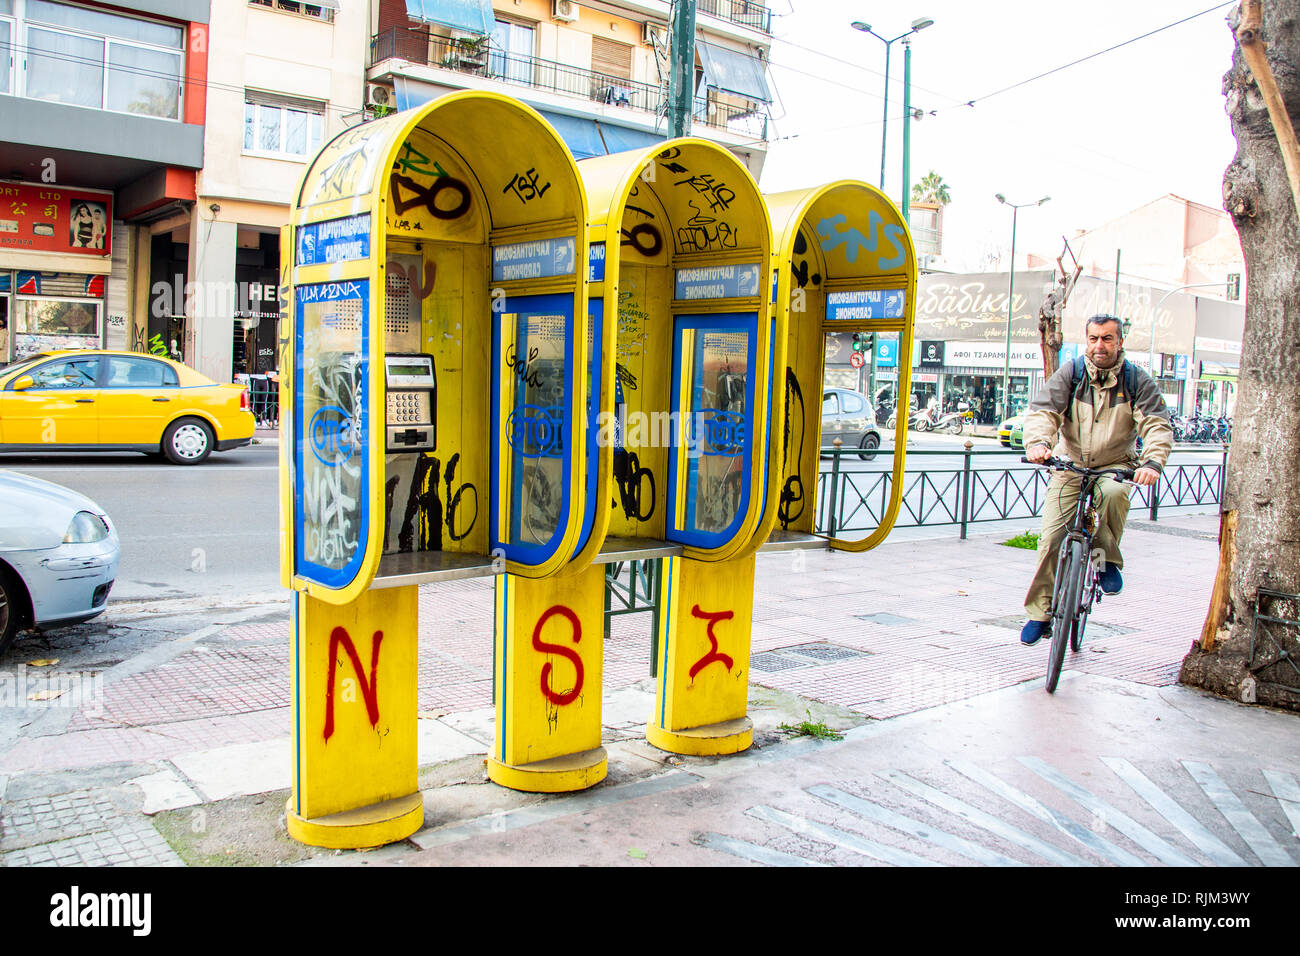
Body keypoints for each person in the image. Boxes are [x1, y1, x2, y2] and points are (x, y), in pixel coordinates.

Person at [1019, 314, 1173, 645]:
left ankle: (1105, 563)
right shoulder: (1072, 373)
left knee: (1115, 495)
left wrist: (1153, 463)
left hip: (1114, 465)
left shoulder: (1136, 381)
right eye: (1093, 338)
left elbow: (1157, 425)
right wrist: (1038, 443)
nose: (1099, 345)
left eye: (1106, 338)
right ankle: (1039, 613)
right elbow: (1044, 411)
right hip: (1070, 463)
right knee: (1050, 539)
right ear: (1086, 341)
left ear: (1119, 342)